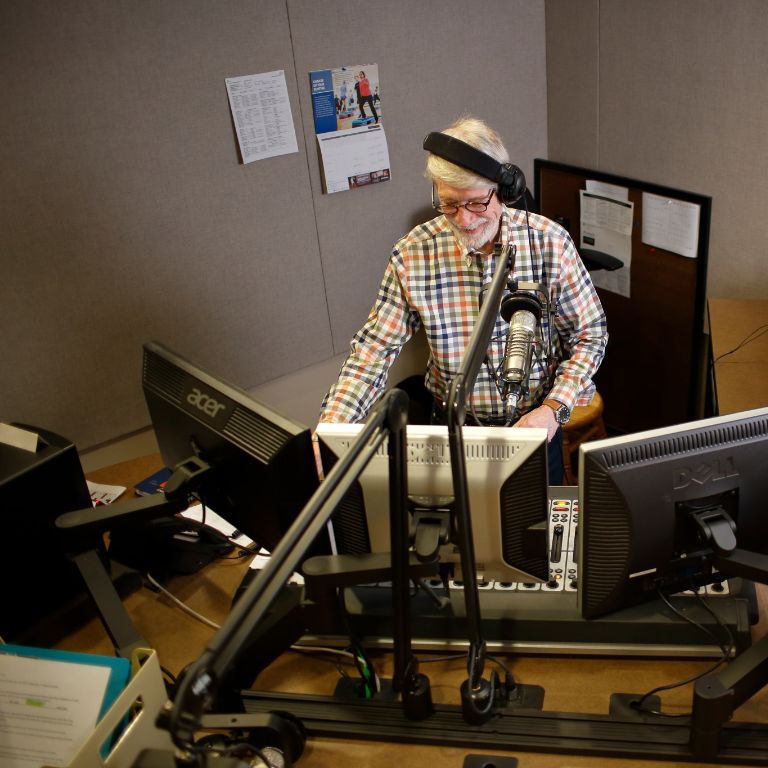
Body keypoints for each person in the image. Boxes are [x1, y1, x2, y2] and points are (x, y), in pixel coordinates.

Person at [318, 116, 608, 483]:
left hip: (534, 427)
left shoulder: (551, 244)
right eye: (450, 205)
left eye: (476, 203)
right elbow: (374, 351)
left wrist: (554, 407)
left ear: (502, 189)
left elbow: (590, 336)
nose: (465, 220)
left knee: (530, 536)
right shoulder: (413, 255)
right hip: (452, 432)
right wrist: (332, 427)